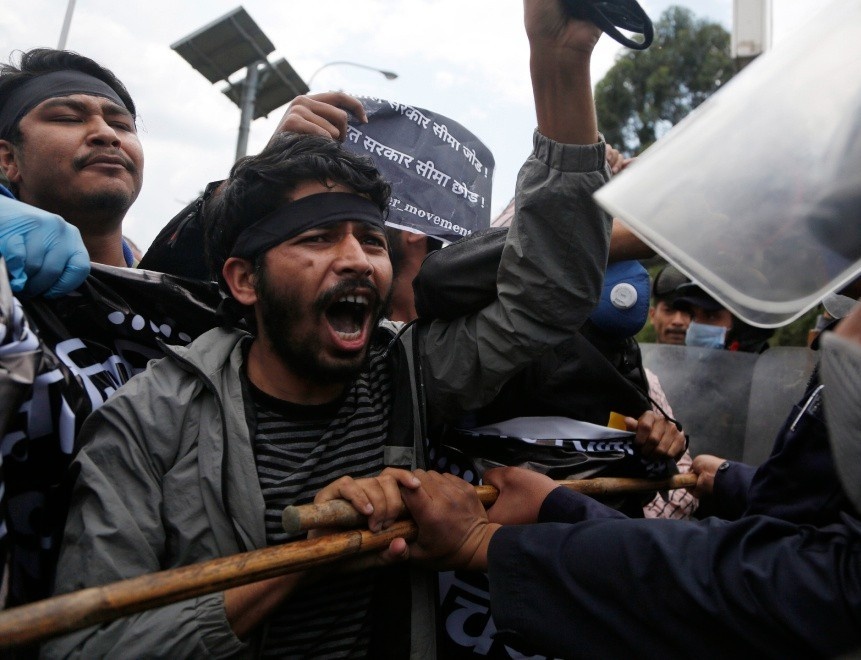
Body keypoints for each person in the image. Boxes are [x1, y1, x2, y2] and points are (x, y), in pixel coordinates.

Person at [43, 1, 619, 654]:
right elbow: (83, 647)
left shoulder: (402, 373)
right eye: (316, 238)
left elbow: (552, 291)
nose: (356, 260)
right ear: (243, 280)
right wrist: (302, 560)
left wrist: (561, 62)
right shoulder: (149, 421)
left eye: (370, 240)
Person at [648, 264, 693, 345]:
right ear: (652, 315)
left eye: (687, 311)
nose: (678, 321)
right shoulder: (638, 357)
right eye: (668, 310)